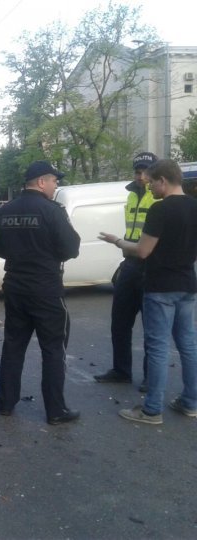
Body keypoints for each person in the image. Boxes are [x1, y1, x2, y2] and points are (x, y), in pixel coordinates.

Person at [99, 159, 197, 424]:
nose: (149, 185)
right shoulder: (194, 206)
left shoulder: (160, 210)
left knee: (158, 347)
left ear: (163, 181)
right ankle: (190, 402)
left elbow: (143, 251)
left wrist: (118, 241)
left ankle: (152, 409)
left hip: (160, 286)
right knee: (188, 345)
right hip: (187, 284)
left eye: (153, 181)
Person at [0, 161, 81, 425]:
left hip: (16, 286)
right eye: (54, 181)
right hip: (45, 288)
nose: (56, 186)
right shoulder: (52, 211)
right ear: (41, 182)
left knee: (13, 344)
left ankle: (6, 402)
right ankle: (55, 410)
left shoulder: (5, 210)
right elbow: (70, 249)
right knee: (53, 348)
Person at [94, 152, 158, 392]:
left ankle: (152, 377)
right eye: (137, 171)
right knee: (119, 322)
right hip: (130, 264)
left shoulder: (159, 197)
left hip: (150, 265)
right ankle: (121, 371)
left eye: (145, 171)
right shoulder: (131, 195)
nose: (141, 176)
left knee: (152, 326)